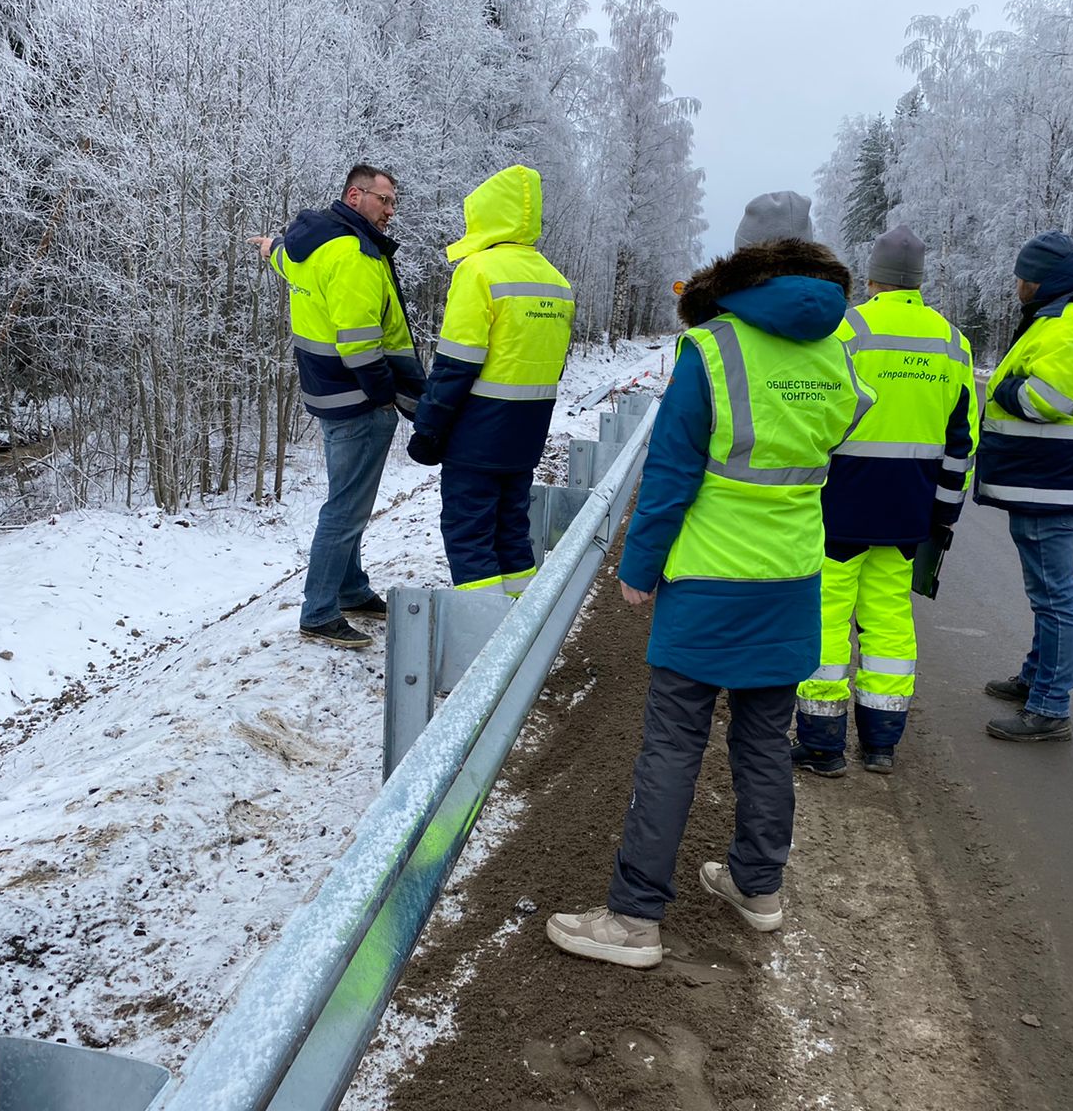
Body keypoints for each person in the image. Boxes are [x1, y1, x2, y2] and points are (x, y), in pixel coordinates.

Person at [546, 192, 871, 968]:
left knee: (672, 747)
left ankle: (633, 920)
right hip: (792, 578)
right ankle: (758, 887)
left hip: (710, 582)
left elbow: (671, 472)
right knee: (764, 741)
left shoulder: (714, 347)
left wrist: (639, 568)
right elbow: (843, 430)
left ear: (742, 259)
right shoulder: (836, 350)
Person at [790, 226, 979, 777]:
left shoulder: (845, 329)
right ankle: (880, 744)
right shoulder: (952, 342)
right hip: (908, 513)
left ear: (870, 277)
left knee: (826, 618)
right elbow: (962, 441)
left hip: (838, 507)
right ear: (919, 281)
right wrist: (943, 513)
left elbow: (812, 416)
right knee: (891, 621)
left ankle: (823, 744)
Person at [248, 164, 425, 649]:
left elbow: (281, 258)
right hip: (358, 401)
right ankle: (320, 610)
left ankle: (349, 588)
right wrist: (385, 394)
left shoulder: (309, 244)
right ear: (355, 196)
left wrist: (267, 247)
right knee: (346, 508)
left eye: (393, 202)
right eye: (384, 200)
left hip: (325, 394)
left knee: (349, 499)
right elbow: (360, 346)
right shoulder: (352, 255)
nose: (391, 211)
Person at [975, 230, 1073, 740]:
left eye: (1023, 276)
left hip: (1049, 480)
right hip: (1054, 478)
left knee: (1054, 597)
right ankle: (1035, 679)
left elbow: (1045, 402)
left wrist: (1001, 386)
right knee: (1047, 591)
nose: (1017, 285)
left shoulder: (1070, 324)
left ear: (1043, 280)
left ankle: (1049, 706)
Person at [405, 165, 575, 595]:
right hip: (527, 434)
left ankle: (483, 645)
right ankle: (522, 634)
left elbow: (456, 364)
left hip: (477, 435)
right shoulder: (556, 282)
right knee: (512, 532)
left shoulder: (478, 271)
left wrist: (428, 427)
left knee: (469, 536)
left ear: (484, 214)